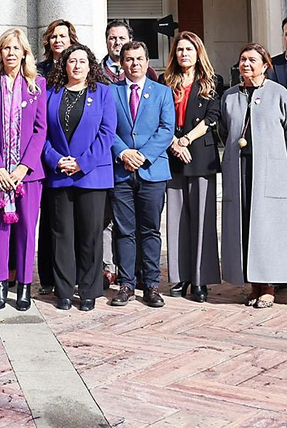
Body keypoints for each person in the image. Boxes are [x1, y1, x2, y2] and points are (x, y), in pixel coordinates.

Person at [220, 44, 287, 307]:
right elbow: (225, 130)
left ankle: (268, 285)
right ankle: (252, 283)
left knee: (268, 227)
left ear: (265, 65)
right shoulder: (230, 96)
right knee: (244, 223)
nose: (246, 64)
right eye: (242, 59)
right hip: (239, 168)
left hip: (270, 170)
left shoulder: (279, 94)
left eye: (252, 60)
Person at [0, 27, 47, 311]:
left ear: (24, 53)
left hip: (27, 175)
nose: (11, 53)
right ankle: (1, 286)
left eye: (16, 48)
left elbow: (40, 129)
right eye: (6, 48)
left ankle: (25, 287)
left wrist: (23, 167)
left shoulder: (36, 85)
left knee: (27, 230)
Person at [44, 43, 116, 311]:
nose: (76, 66)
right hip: (59, 173)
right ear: (63, 65)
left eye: (82, 61)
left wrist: (82, 163)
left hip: (92, 175)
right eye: (71, 61)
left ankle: (89, 291)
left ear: (90, 66)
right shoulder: (50, 93)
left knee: (90, 236)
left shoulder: (103, 93)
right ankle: (63, 290)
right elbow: (41, 132)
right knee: (61, 235)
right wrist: (55, 159)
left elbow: (107, 133)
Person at [109, 40, 172, 309]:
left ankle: (151, 284)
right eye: (129, 59)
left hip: (152, 170)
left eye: (139, 59)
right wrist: (124, 152)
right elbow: (106, 128)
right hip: (121, 171)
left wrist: (143, 156)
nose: (134, 64)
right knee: (124, 230)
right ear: (122, 63)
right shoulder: (110, 92)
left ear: (147, 62)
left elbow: (166, 129)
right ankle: (126, 284)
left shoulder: (162, 92)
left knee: (150, 230)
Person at [164, 31, 223, 302]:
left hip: (200, 154)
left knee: (202, 220)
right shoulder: (166, 82)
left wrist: (186, 139)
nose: (184, 54)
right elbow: (160, 117)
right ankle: (180, 276)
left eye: (188, 49)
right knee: (176, 219)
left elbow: (213, 116)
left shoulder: (212, 81)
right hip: (172, 154)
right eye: (179, 50)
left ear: (198, 53)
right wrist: (175, 143)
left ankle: (201, 279)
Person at [36, 17, 81, 292]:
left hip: (76, 158)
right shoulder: (39, 71)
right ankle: (48, 278)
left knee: (74, 221)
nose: (58, 40)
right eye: (53, 36)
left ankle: (72, 275)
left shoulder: (83, 67)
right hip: (47, 154)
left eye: (62, 36)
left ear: (71, 39)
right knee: (50, 221)